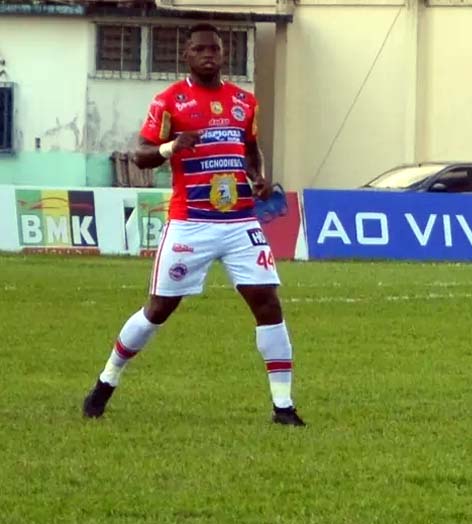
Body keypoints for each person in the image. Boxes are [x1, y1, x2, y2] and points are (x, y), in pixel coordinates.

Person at [82, 23, 305, 427]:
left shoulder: (243, 101)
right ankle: (106, 380)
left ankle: (283, 407)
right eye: (200, 49)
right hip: (191, 224)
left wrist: (258, 177)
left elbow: (251, 150)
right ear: (186, 55)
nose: (209, 55)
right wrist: (171, 146)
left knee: (268, 304)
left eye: (215, 49)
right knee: (159, 309)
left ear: (223, 55)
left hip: (240, 223)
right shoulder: (170, 102)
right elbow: (142, 155)